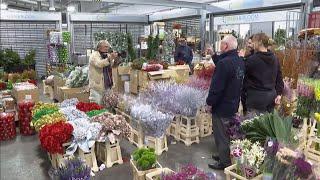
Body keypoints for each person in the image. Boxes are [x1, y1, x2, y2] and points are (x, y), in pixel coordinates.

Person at [206, 35, 245, 170]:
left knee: (221, 134)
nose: (220, 46)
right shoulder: (239, 61)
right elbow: (225, 67)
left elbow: (217, 87)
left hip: (221, 105)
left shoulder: (224, 63)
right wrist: (213, 55)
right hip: (233, 103)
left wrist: (209, 102)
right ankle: (224, 155)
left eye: (221, 44)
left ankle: (224, 162)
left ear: (226, 46)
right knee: (228, 132)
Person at [243, 33, 284, 114]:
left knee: (254, 125)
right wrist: (279, 94)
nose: (253, 44)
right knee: (267, 125)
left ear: (259, 42)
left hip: (256, 99)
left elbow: (242, 76)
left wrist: (241, 59)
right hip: (271, 98)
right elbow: (279, 79)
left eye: (254, 41)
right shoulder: (275, 58)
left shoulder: (251, 60)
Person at [88, 40, 118, 104]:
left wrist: (116, 59)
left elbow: (112, 65)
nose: (107, 48)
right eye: (105, 47)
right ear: (99, 47)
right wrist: (109, 58)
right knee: (96, 107)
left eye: (108, 47)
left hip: (108, 86)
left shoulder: (107, 55)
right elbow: (99, 64)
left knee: (108, 107)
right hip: (97, 88)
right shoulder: (94, 55)